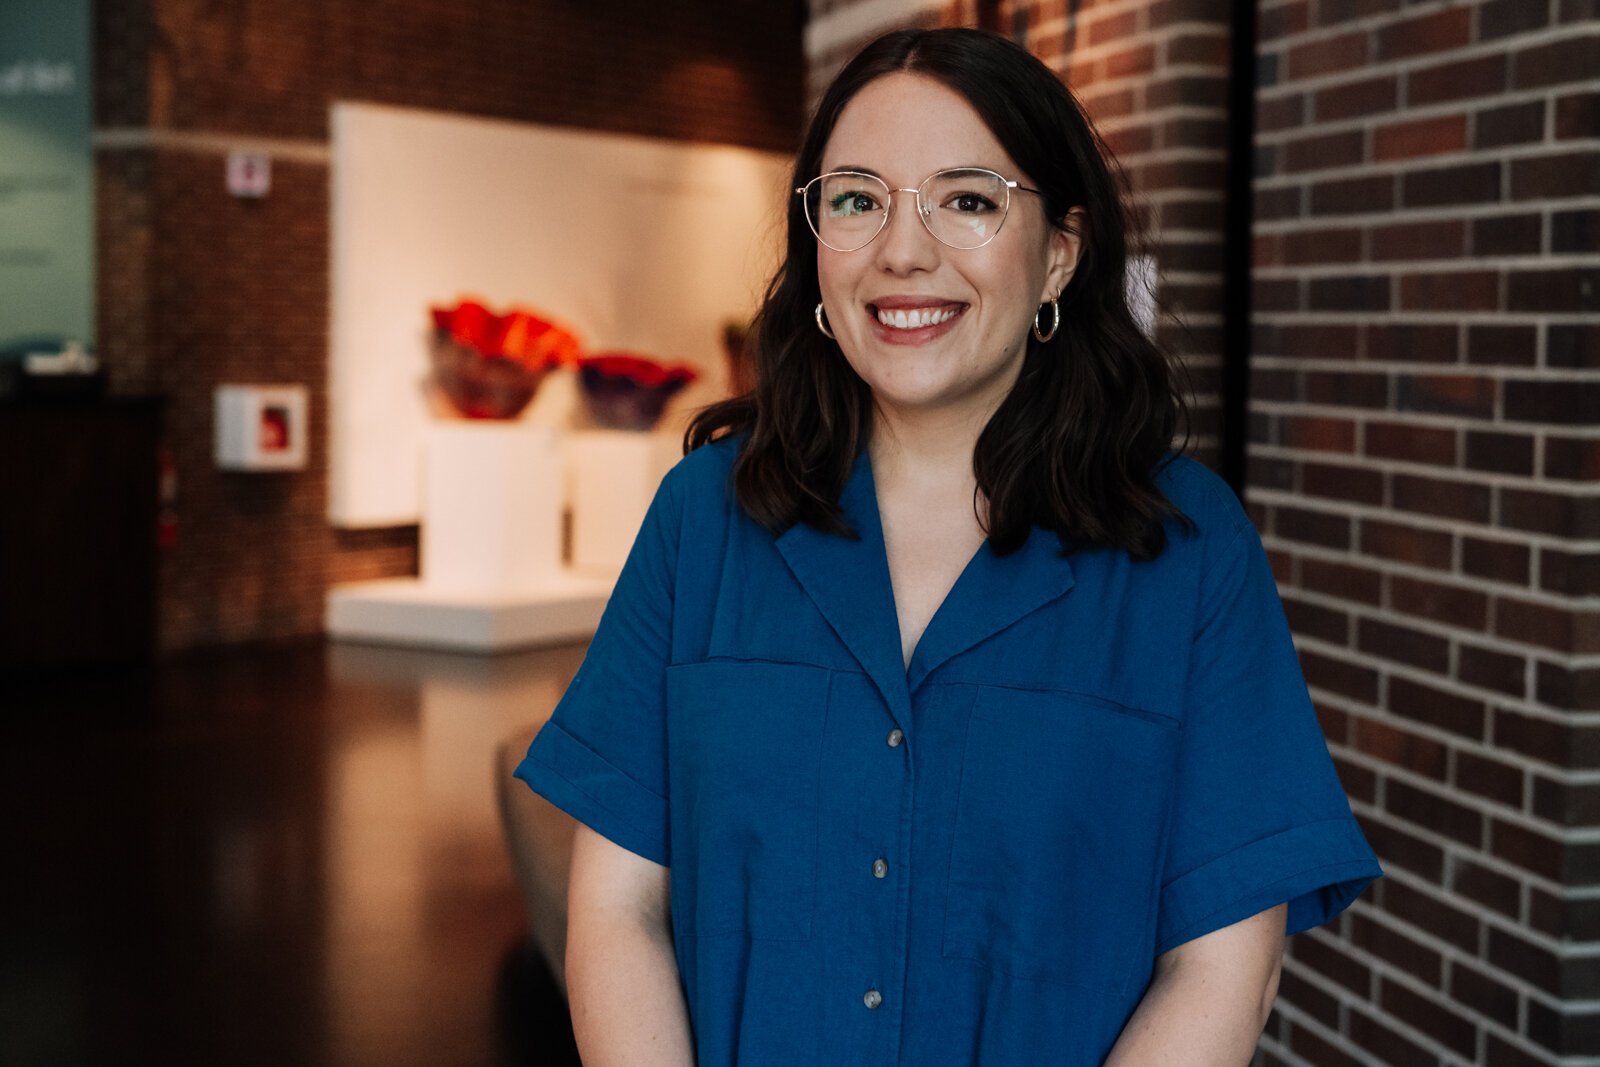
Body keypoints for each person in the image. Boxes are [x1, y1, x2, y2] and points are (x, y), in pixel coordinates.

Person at [514, 27, 1381, 1066]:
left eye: (966, 199)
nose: (901, 250)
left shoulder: (1187, 552)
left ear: (1059, 251)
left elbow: (1223, 965)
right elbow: (617, 907)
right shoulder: (705, 518)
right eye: (856, 198)